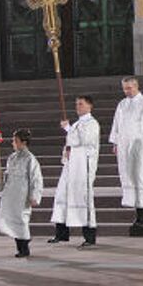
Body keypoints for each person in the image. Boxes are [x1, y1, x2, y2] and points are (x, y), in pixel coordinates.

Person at [110, 78, 143, 228]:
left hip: (138, 145)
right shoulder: (122, 104)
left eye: (129, 88)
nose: (126, 91)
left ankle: (142, 212)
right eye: (124, 89)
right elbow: (116, 124)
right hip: (123, 145)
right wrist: (115, 142)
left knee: (138, 176)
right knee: (127, 176)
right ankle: (135, 205)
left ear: (136, 86)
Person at [49, 95, 100, 247]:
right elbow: (70, 144)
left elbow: (84, 140)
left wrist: (68, 129)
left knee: (83, 198)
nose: (78, 107)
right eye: (76, 104)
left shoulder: (92, 123)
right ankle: (61, 233)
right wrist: (66, 152)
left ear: (89, 106)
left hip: (83, 166)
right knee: (62, 196)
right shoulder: (77, 124)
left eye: (81, 104)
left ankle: (89, 237)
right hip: (71, 166)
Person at [0, 128, 43, 258]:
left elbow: (36, 179)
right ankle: (21, 244)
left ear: (24, 142)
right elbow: (8, 175)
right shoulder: (12, 158)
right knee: (13, 220)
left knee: (21, 220)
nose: (13, 143)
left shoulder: (30, 159)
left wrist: (34, 196)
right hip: (11, 193)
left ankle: (24, 248)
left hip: (22, 194)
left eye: (15, 141)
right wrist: (1, 177)